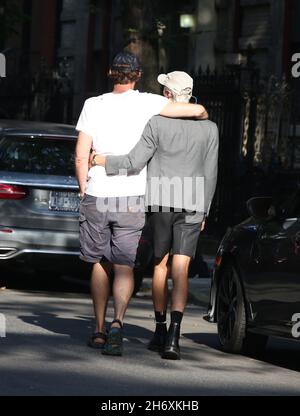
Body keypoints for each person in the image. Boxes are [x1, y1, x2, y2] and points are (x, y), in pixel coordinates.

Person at [75, 53, 208, 357]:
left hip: (98, 191)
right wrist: (201, 117)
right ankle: (118, 323)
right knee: (124, 264)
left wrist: (84, 188)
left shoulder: (93, 105)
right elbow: (197, 110)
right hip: (133, 195)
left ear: (110, 73)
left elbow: (82, 154)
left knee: (98, 262)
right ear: (137, 75)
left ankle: (97, 330)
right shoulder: (150, 102)